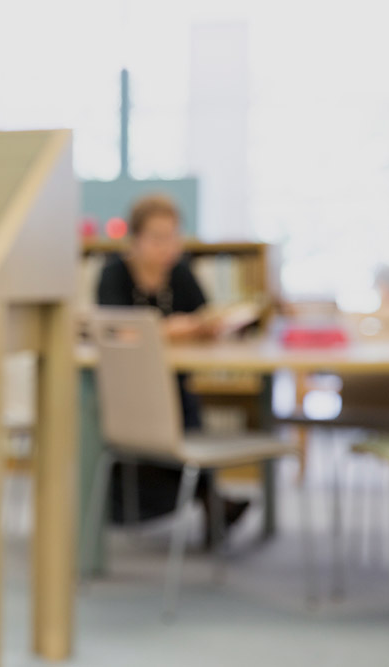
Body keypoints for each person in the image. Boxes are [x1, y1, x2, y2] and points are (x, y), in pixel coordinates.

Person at [96, 194, 248, 545]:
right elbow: (114, 329)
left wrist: (205, 326)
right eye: (158, 237)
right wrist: (170, 327)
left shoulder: (180, 274)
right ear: (135, 239)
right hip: (127, 392)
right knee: (178, 405)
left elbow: (205, 317)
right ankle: (214, 504)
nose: (168, 246)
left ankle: (212, 504)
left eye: (173, 236)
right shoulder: (113, 274)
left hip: (174, 383)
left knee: (183, 397)